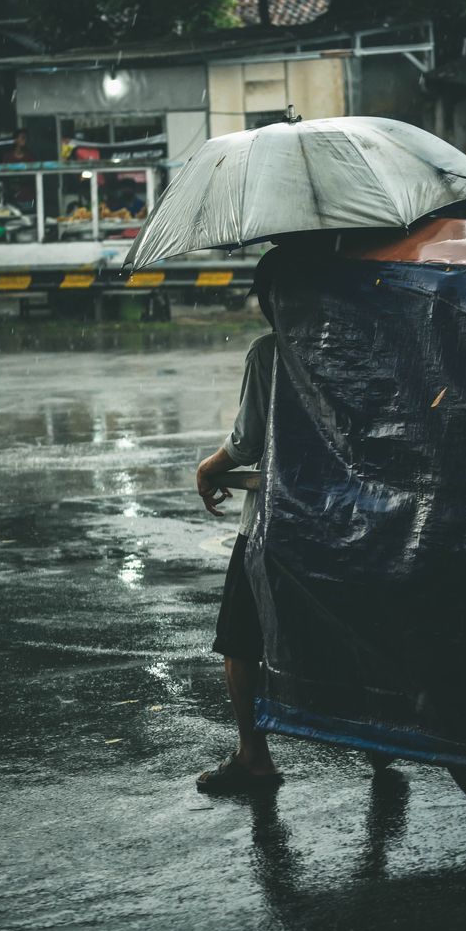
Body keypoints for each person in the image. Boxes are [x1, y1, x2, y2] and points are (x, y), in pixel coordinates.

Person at [195, 252, 283, 794]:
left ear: (270, 298)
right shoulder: (354, 347)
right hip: (346, 520)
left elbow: (248, 440)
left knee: (240, 641)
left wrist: (209, 467)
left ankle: (254, 755)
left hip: (275, 524)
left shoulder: (269, 355)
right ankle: (376, 753)